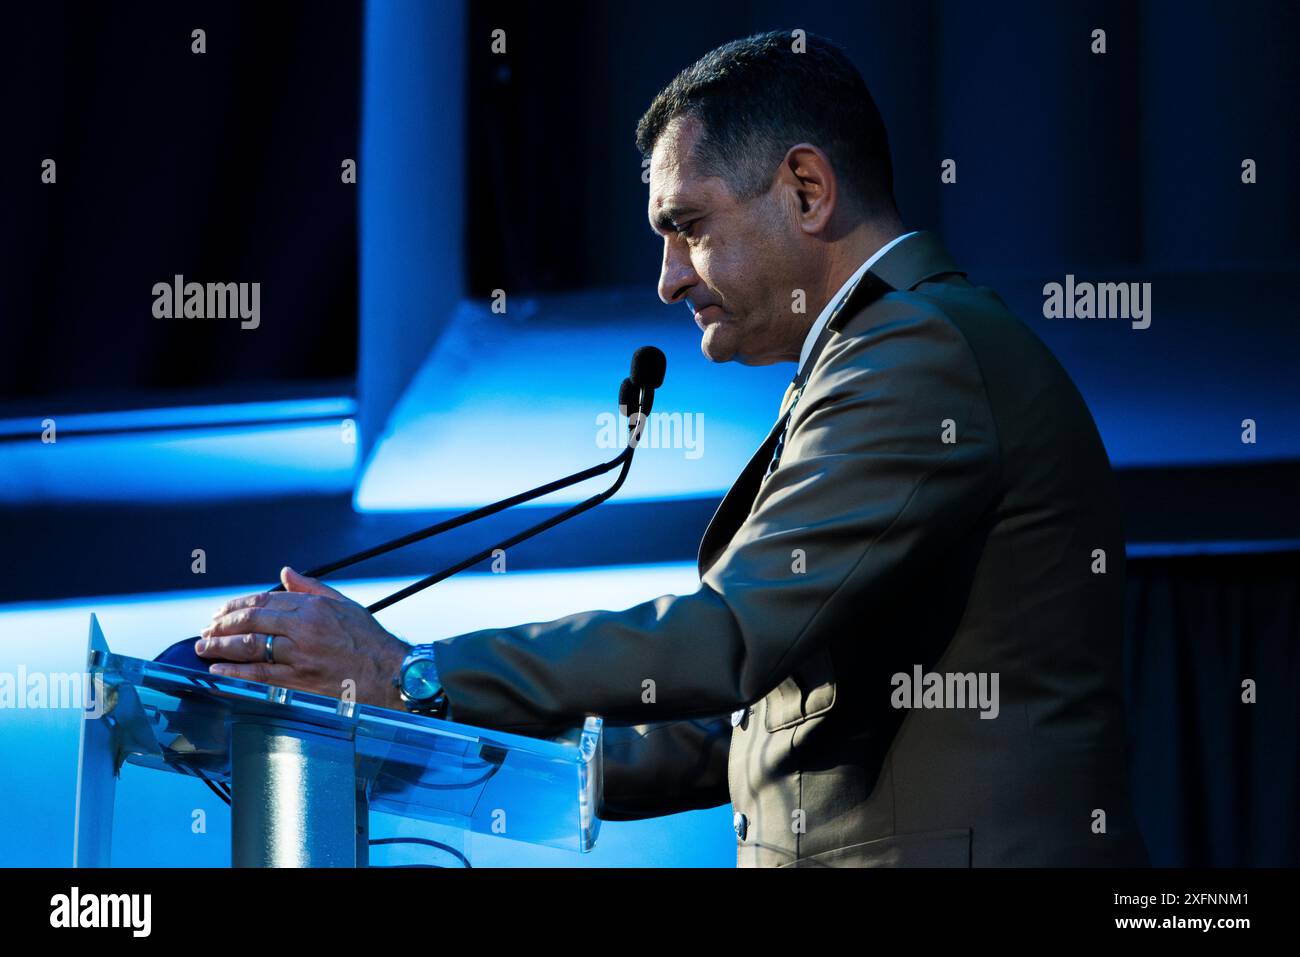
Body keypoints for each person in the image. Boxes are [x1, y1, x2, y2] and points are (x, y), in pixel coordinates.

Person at [193, 31, 1148, 867]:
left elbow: (726, 638)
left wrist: (412, 670)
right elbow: (734, 730)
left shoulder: (915, 353)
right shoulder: (881, 357)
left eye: (686, 227)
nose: (665, 280)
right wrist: (412, 731)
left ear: (807, 190)